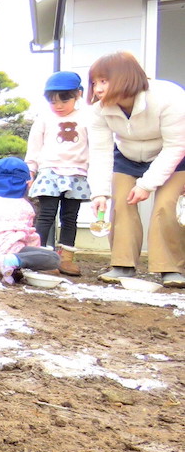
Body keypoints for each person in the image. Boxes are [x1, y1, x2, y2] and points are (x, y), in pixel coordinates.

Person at [86, 51, 185, 288]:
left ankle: (171, 268)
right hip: (128, 156)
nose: (97, 89)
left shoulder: (169, 96)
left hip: (174, 156)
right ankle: (122, 265)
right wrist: (99, 192)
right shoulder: (99, 110)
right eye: (94, 82)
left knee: (165, 205)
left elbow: (176, 146)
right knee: (121, 202)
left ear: (125, 77)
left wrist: (146, 185)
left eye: (104, 81)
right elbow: (100, 152)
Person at [25, 71, 91, 276]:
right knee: (45, 216)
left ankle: (65, 259)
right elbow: (34, 147)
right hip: (49, 172)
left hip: (77, 173)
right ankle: (42, 259)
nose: (59, 106)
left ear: (78, 94)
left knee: (70, 218)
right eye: (53, 101)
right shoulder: (44, 118)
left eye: (64, 99)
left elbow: (96, 148)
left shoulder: (88, 117)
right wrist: (30, 171)